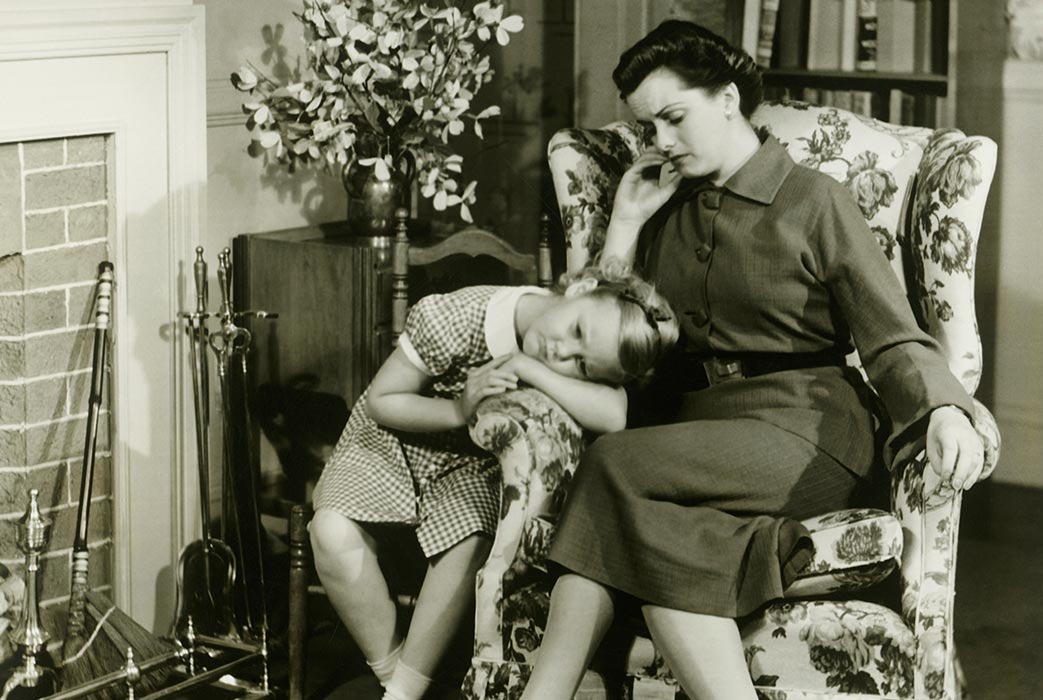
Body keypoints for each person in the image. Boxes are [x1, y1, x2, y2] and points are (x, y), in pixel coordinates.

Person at [518, 20, 987, 700]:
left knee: (611, 466)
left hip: (808, 428)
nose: (663, 143)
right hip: (699, 437)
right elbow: (608, 339)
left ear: (729, 97)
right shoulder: (661, 205)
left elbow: (892, 334)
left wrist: (944, 408)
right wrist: (622, 226)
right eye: (649, 129)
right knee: (665, 549)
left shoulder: (814, 201)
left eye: (674, 118)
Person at [309, 260, 678, 700]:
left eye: (581, 365)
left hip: (468, 460)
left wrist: (526, 365)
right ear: (581, 287)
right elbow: (383, 401)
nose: (561, 353)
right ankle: (394, 676)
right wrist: (456, 410)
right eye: (577, 332)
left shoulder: (551, 353)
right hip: (393, 439)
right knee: (329, 532)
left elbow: (614, 415)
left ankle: (403, 691)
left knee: (471, 535)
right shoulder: (458, 316)